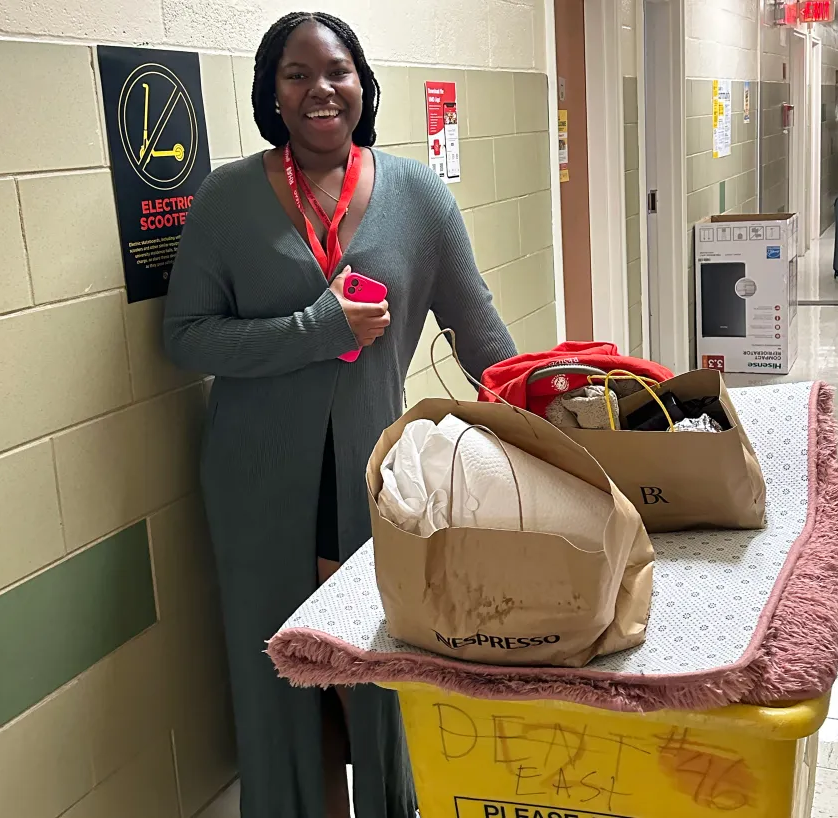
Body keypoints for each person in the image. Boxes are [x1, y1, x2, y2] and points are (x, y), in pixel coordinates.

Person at [163, 11, 516, 818]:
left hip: (367, 484)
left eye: (338, 70)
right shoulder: (227, 201)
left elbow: (482, 335)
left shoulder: (417, 197)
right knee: (285, 683)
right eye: (297, 73)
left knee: (369, 675)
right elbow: (185, 338)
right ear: (273, 95)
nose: (320, 89)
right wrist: (315, 329)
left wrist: (551, 405)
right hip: (256, 486)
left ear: (363, 84)